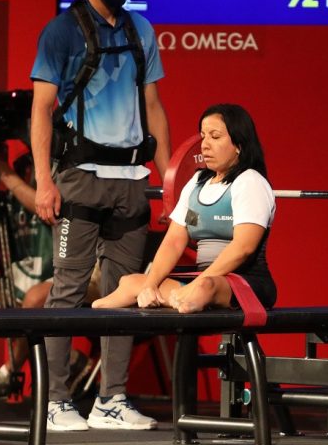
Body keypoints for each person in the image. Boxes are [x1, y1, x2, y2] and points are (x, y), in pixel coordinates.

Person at [30, 0, 171, 431]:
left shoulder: (142, 29)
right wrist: (43, 182)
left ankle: (111, 400)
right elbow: (41, 109)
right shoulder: (60, 32)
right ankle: (54, 402)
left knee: (126, 291)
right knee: (68, 289)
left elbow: (153, 104)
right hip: (80, 178)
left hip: (131, 180)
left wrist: (169, 180)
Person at [93, 104, 276, 313]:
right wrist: (149, 285)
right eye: (203, 136)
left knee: (206, 288)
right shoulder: (197, 182)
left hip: (246, 283)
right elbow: (173, 241)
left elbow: (243, 248)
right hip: (200, 278)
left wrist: (198, 284)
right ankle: (95, 315)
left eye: (215, 137)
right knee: (132, 282)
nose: (205, 145)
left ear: (239, 145)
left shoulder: (250, 182)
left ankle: (183, 298)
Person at [0, 145, 95, 400]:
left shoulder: (62, 168)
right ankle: (71, 360)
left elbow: (46, 209)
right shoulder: (21, 169)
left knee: (34, 302)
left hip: (77, 268)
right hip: (35, 270)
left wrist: (4, 172)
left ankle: (9, 372)